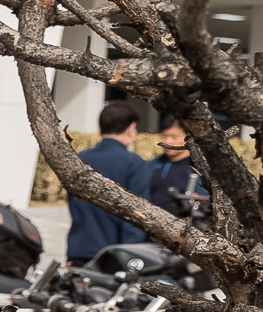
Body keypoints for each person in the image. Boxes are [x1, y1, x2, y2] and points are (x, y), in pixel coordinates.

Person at [65, 102, 153, 263]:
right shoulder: (134, 163)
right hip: (115, 253)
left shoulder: (80, 159)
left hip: (80, 248)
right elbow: (138, 213)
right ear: (131, 128)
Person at [144, 123, 198, 218]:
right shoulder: (151, 165)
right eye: (164, 136)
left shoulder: (196, 169)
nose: (168, 141)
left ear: (188, 139)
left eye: (174, 137)